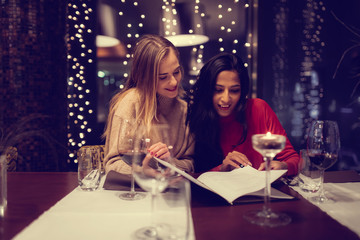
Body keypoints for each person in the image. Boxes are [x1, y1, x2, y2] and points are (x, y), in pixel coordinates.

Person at [186, 52, 299, 176]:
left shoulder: (258, 109)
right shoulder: (198, 117)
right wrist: (222, 169)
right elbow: (195, 177)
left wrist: (284, 166)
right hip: (215, 195)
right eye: (218, 90)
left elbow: (293, 159)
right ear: (207, 90)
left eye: (234, 91)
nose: (226, 99)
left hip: (259, 193)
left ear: (242, 91)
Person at [103, 34, 194, 175]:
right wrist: (144, 172)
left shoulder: (184, 109)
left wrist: (170, 163)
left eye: (176, 72)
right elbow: (112, 164)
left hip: (171, 191)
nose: (174, 82)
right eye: (163, 77)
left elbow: (191, 163)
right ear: (144, 77)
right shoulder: (131, 102)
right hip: (137, 193)